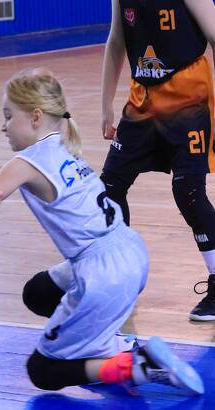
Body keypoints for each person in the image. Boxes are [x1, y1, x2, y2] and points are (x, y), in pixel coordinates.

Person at [0, 68, 204, 395]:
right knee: (39, 292)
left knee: (43, 370)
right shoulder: (59, 149)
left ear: (34, 117)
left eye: (8, 116)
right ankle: (113, 343)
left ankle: (134, 365)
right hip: (129, 252)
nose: (3, 126)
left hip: (103, 270)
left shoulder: (28, 162)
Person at [100, 0, 215, 321]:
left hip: (188, 94)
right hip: (143, 98)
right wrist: (106, 105)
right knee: (108, 188)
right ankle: (122, 278)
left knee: (188, 191)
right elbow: (116, 41)